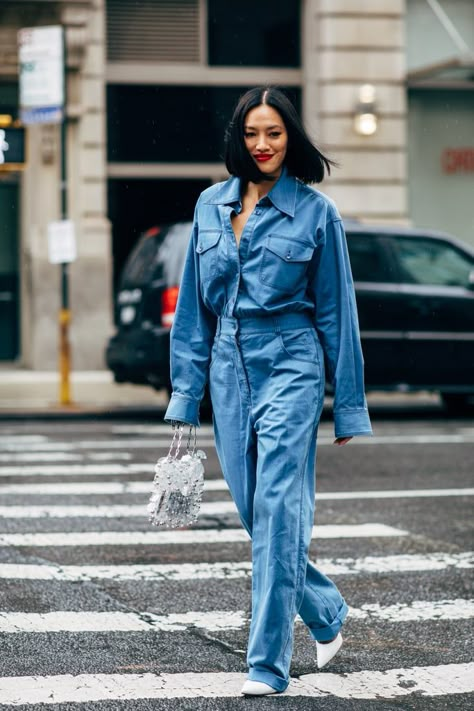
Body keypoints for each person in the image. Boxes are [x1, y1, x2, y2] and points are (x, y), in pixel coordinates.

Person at [164, 86, 372, 696]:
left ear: (291, 137)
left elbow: (339, 313)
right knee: (256, 505)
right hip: (228, 364)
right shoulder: (209, 205)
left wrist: (349, 406)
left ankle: (267, 664)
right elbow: (193, 317)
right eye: (253, 133)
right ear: (238, 136)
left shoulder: (316, 212)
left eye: (274, 133)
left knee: (280, 508)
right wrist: (185, 396)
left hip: (291, 359)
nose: (263, 145)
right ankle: (326, 608)